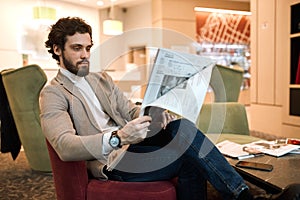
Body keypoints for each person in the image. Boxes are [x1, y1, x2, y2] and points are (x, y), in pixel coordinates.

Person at [40, 17, 277, 200]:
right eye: (77, 48)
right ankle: (243, 195)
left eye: (88, 48)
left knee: (180, 126)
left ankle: (241, 193)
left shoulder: (100, 79)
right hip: (110, 161)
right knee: (189, 158)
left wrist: (153, 113)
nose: (85, 55)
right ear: (57, 49)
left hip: (133, 146)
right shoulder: (53, 93)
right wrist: (117, 137)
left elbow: (129, 110)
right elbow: (65, 146)